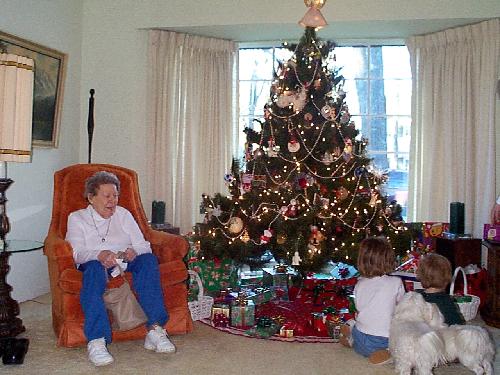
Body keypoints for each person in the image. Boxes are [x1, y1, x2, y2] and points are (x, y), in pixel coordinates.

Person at [66, 171, 175, 366]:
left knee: (148, 260)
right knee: (92, 270)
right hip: (95, 263)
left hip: (124, 262)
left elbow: (143, 245)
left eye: (115, 195)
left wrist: (132, 251)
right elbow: (77, 253)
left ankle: (155, 329)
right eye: (107, 196)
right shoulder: (77, 218)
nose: (112, 201)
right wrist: (98, 255)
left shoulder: (123, 214)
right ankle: (97, 340)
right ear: (91, 198)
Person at [340, 237, 405, 365]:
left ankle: (351, 339)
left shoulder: (360, 283)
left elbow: (358, 306)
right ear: (388, 259)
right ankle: (386, 352)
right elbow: (403, 307)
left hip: (360, 338)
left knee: (354, 321)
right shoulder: (396, 282)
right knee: (403, 337)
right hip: (383, 341)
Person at [416, 253, 465, 325]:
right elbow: (457, 325)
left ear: (421, 275)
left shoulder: (415, 297)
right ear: (447, 277)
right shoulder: (447, 302)